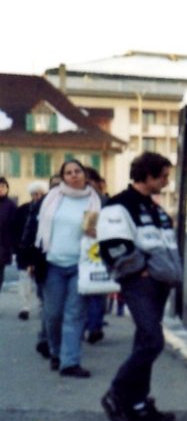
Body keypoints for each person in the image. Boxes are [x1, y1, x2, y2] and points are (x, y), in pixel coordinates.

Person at [97, 152, 182, 421]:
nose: (167, 182)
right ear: (147, 175)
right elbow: (113, 246)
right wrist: (138, 270)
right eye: (164, 176)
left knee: (145, 341)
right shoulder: (119, 205)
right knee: (153, 340)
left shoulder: (153, 207)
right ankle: (116, 394)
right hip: (140, 282)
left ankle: (138, 402)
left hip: (158, 282)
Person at [34, 160, 102, 377]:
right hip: (53, 263)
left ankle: (70, 362)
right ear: (63, 177)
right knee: (53, 314)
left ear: (84, 175)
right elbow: (35, 227)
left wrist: (96, 231)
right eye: (68, 173)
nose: (74, 175)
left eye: (77, 171)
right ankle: (55, 352)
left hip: (81, 265)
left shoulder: (95, 200)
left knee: (75, 315)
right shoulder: (53, 198)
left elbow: (102, 230)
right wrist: (30, 260)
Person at [13, 181, 47, 320]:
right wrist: (17, 247)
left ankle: (42, 306)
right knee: (24, 279)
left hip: (40, 251)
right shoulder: (22, 210)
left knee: (40, 280)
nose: (37, 196)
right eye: (34, 194)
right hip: (24, 250)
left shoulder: (48, 210)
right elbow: (14, 229)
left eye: (40, 194)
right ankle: (24, 307)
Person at [83, 167, 110, 344]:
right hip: (98, 250)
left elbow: (88, 228)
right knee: (98, 290)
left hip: (89, 249)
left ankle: (92, 326)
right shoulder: (103, 198)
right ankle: (95, 325)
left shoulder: (94, 199)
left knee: (91, 291)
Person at [0, 177, 17, 310]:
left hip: (3, 246)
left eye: (3, 186)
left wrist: (11, 247)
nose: (1, 189)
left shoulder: (11, 205)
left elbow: (14, 227)